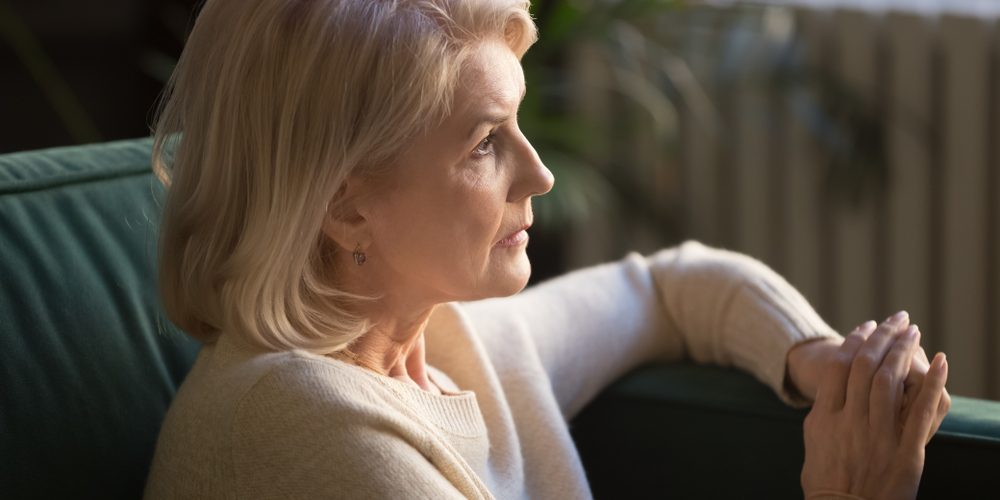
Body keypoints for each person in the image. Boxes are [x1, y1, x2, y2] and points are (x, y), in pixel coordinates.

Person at [143, 1, 951, 498]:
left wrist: (816, 360)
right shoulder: (305, 428)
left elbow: (667, 291)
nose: (540, 173)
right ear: (346, 206)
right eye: (484, 143)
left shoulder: (448, 344)